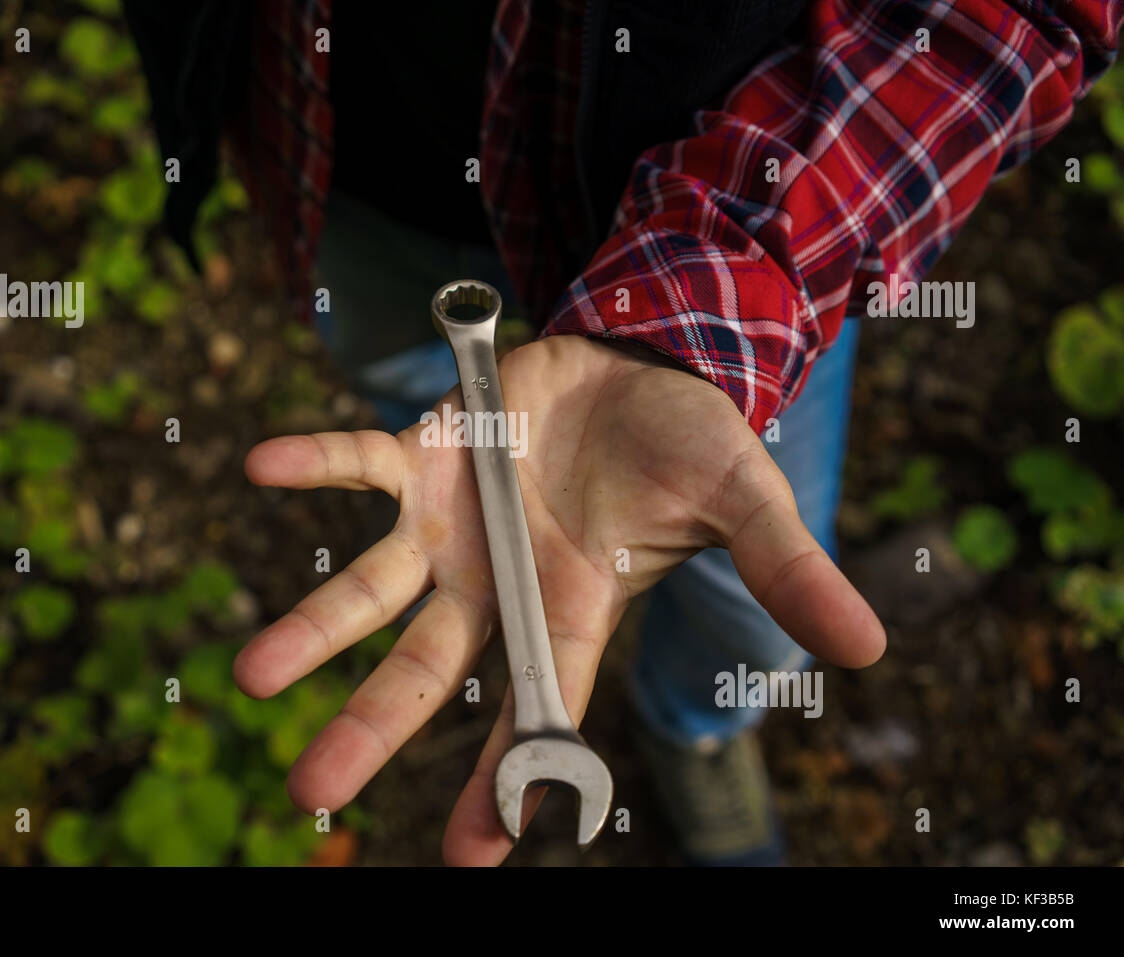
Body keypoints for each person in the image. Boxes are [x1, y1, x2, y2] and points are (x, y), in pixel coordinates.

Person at [127, 0, 1122, 866]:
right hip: (349, 159)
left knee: (752, 605)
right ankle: (450, 510)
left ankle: (692, 725)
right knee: (410, 395)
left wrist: (718, 286)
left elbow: (1000, 15)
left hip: (728, 237)